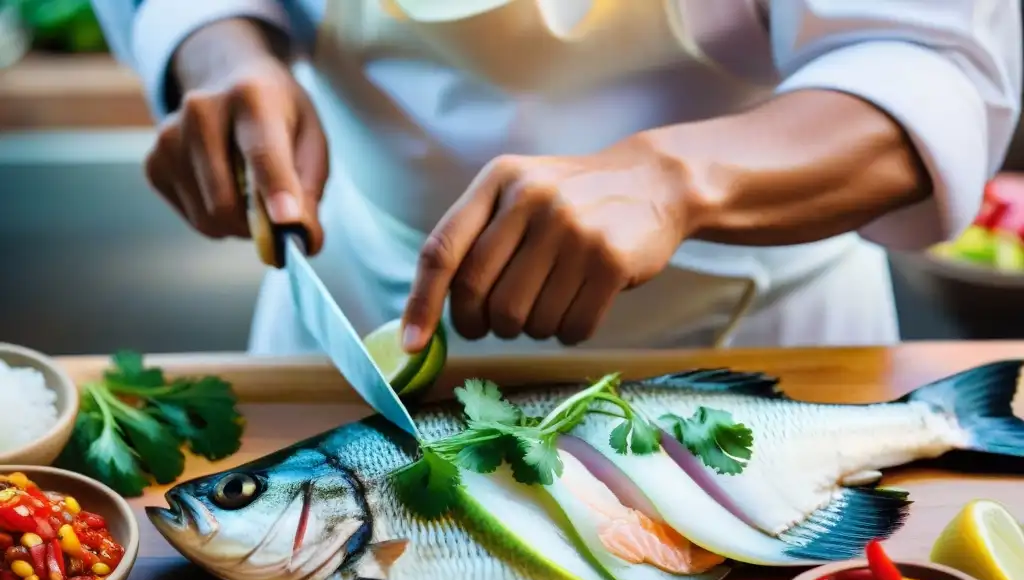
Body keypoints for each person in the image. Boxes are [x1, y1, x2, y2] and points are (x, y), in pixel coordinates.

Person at [91, 1, 1021, 358]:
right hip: (344, 310)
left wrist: (670, 180)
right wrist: (215, 49)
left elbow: (934, 66)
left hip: (748, 357)